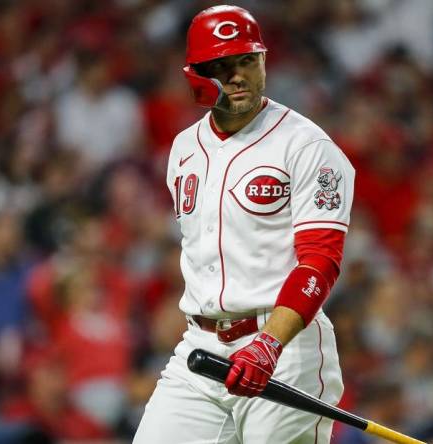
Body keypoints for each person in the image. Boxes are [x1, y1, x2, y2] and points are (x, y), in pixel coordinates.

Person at [134, 5, 355, 443]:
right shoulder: (183, 150)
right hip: (200, 349)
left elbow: (321, 262)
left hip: (284, 347)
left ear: (264, 62)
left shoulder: (307, 146)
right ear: (196, 73)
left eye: (248, 61)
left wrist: (270, 345)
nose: (238, 75)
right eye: (223, 64)